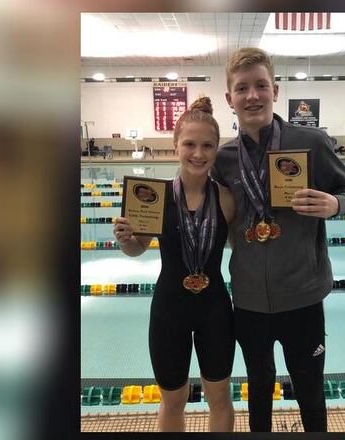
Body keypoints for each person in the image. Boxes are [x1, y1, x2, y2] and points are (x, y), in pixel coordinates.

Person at [211, 47, 345, 432]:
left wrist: (335, 204)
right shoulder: (223, 158)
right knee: (259, 390)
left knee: (310, 392)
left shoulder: (311, 141)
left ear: (275, 90)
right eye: (242, 88)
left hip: (303, 298)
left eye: (261, 85)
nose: (252, 95)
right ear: (230, 99)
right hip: (248, 303)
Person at [113, 97, 236, 432]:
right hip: (169, 310)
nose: (198, 153)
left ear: (216, 148)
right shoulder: (155, 195)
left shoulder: (226, 198)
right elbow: (138, 248)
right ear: (175, 145)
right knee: (172, 401)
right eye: (190, 144)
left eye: (207, 145)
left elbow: (241, 246)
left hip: (215, 311)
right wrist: (126, 240)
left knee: (220, 398)